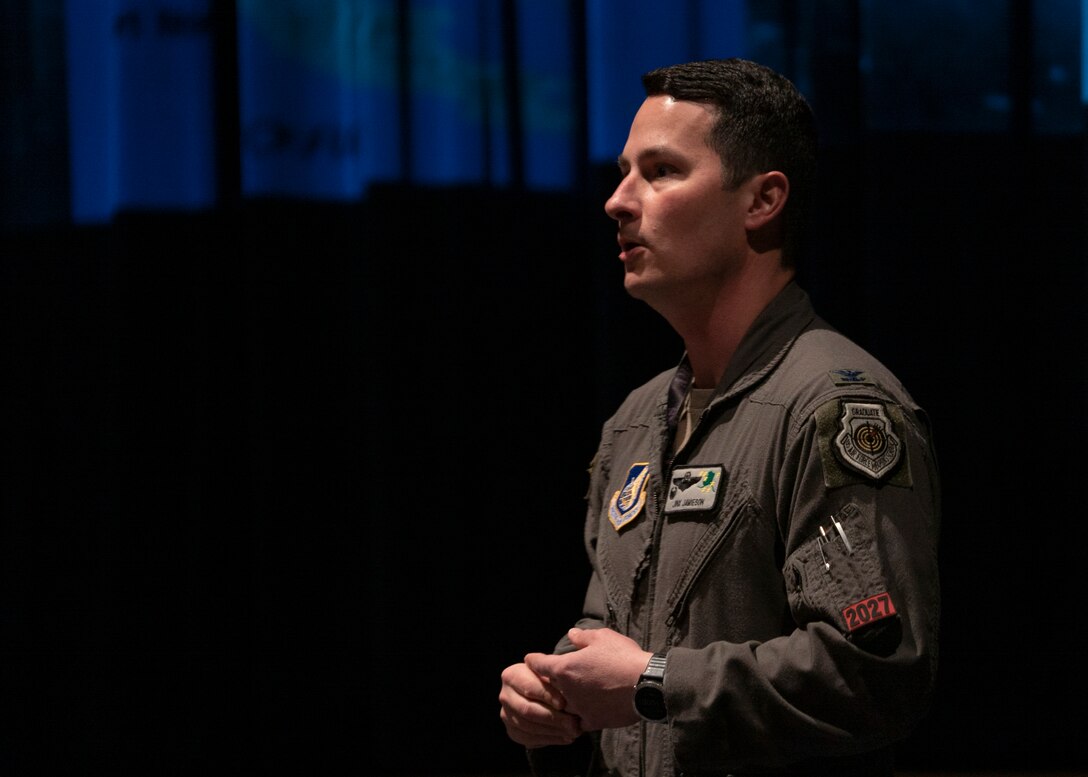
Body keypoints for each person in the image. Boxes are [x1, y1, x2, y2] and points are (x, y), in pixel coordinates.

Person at [497, 58, 941, 777]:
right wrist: (555, 693)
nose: (617, 200)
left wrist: (649, 684)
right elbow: (616, 632)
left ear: (762, 201)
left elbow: (875, 670)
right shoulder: (635, 420)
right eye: (623, 171)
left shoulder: (836, 408)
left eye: (662, 171)